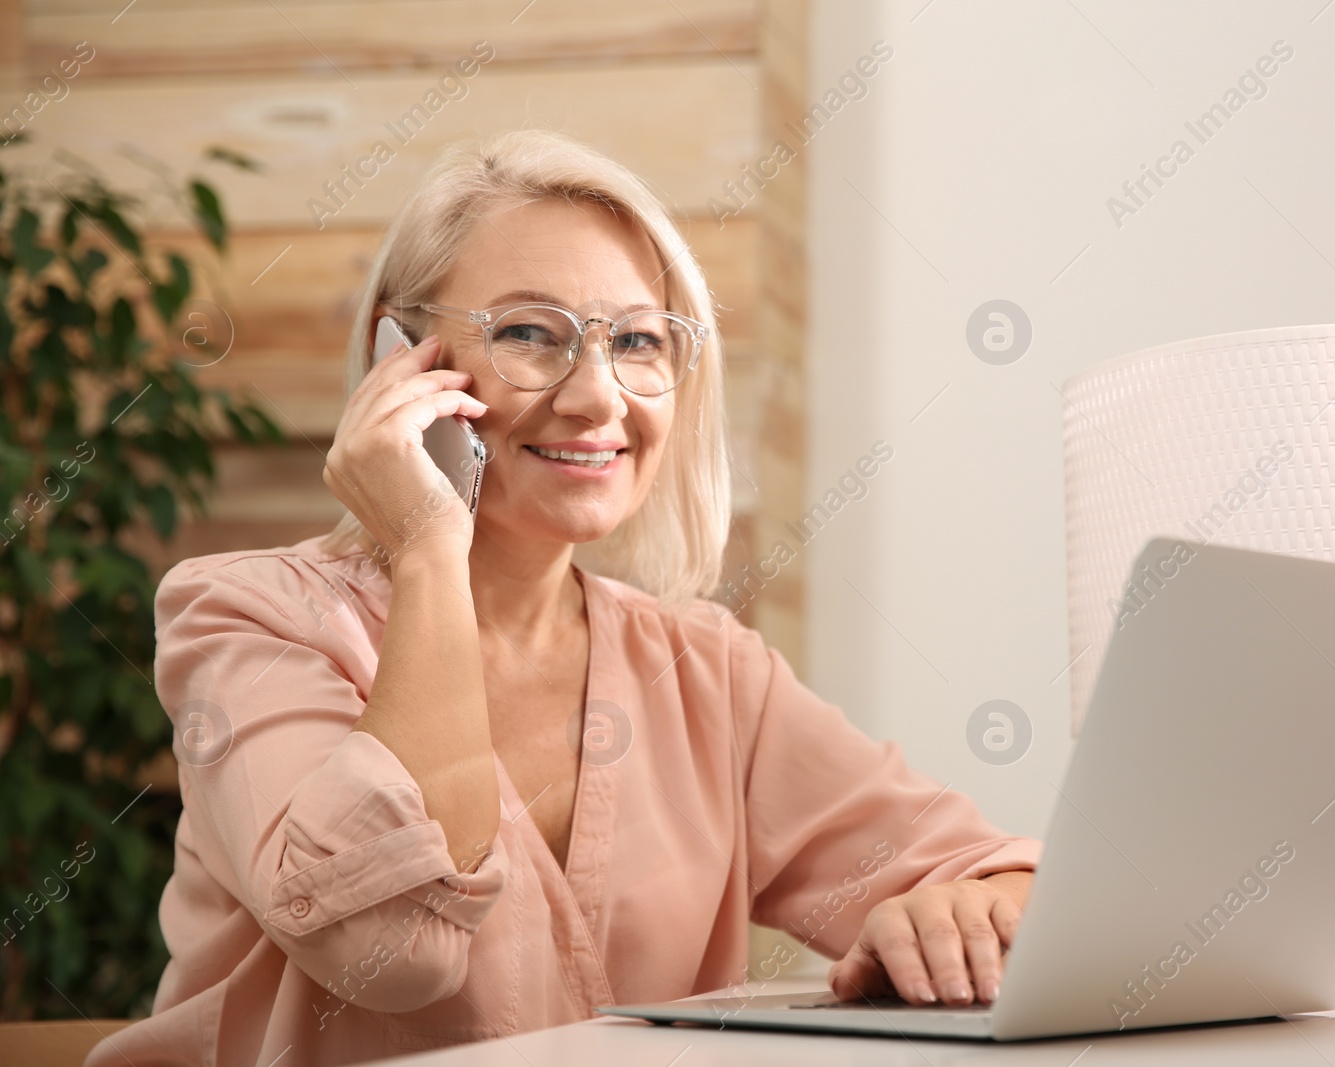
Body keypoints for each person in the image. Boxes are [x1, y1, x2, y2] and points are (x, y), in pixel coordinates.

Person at [88, 129, 1039, 1066]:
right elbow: (391, 951)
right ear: (399, 355)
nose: (598, 397)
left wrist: (965, 906)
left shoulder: (708, 671)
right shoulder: (245, 616)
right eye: (530, 335)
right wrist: (428, 546)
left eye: (635, 341)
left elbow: (1021, 884)